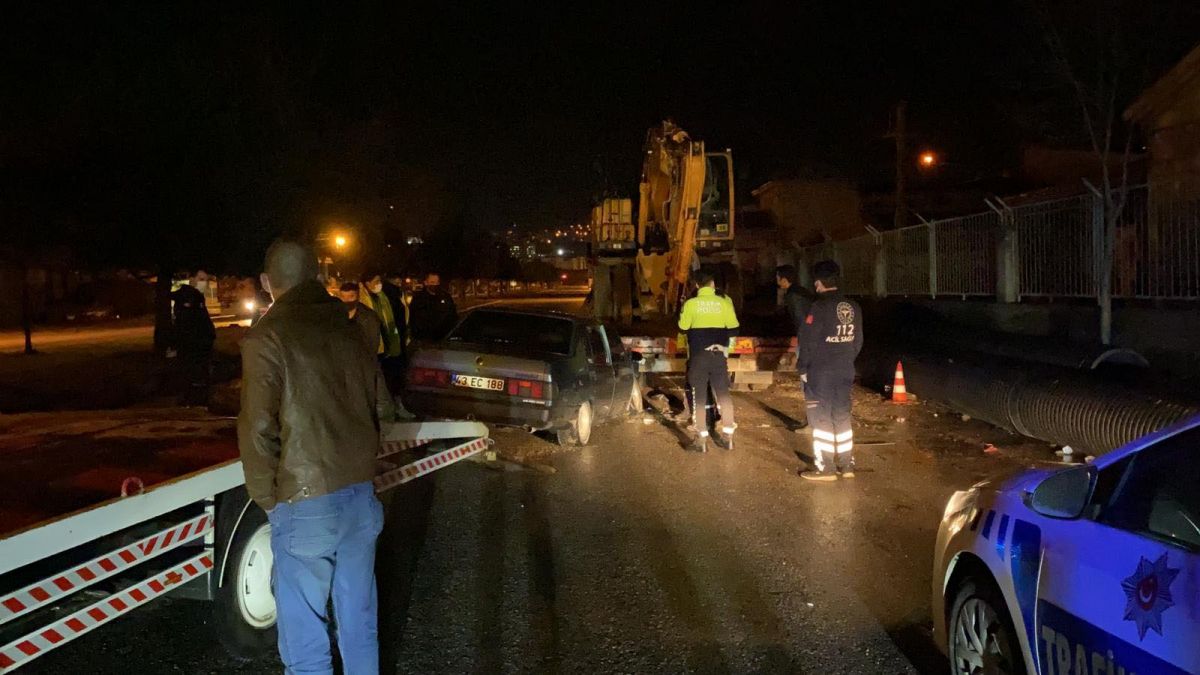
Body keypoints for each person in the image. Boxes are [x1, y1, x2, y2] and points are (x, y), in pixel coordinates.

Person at [238, 239, 395, 674]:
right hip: (360, 496)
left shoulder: (267, 337)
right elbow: (382, 408)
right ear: (317, 277)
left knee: (306, 644)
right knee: (360, 624)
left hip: (306, 501)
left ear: (268, 283)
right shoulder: (352, 328)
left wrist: (268, 499)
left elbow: (257, 430)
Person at [797, 260, 863, 481]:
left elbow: (808, 341)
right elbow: (858, 341)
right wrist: (845, 359)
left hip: (820, 372)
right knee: (842, 415)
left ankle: (825, 468)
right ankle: (846, 466)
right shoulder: (853, 307)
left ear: (818, 283)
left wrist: (803, 367)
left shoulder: (819, 307)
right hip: (845, 369)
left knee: (821, 417)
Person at [677, 270, 739, 452]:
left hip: (698, 356)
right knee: (723, 394)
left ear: (696, 285)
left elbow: (682, 327)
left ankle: (701, 439)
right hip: (718, 355)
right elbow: (734, 329)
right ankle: (728, 437)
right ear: (712, 284)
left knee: (700, 397)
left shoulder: (691, 304)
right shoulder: (724, 302)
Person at [170, 269, 217, 406]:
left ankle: (192, 398)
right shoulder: (191, 296)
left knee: (195, 374)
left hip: (197, 344)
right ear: (192, 280)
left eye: (206, 280)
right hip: (194, 345)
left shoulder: (195, 296)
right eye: (201, 279)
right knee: (193, 374)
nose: (204, 283)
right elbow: (191, 322)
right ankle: (193, 400)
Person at [358, 272, 404, 360]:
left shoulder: (382, 296)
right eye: (377, 281)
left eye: (380, 281)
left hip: (385, 339)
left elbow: (389, 318)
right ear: (368, 283)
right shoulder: (361, 298)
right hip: (372, 343)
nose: (380, 284)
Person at [409, 272, 458, 342]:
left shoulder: (446, 297)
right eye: (432, 282)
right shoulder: (418, 299)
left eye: (437, 282)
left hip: (444, 339)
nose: (435, 285)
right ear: (426, 283)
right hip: (425, 341)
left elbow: (453, 316)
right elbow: (414, 320)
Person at [339, 282, 383, 354]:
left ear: (358, 297)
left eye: (351, 296)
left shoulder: (369, 317)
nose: (346, 300)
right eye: (343, 297)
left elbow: (373, 345)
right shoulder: (335, 315)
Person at [776, 264, 812, 335]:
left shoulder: (793, 295)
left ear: (784, 280)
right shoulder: (800, 290)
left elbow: (800, 318)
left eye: (777, 278)